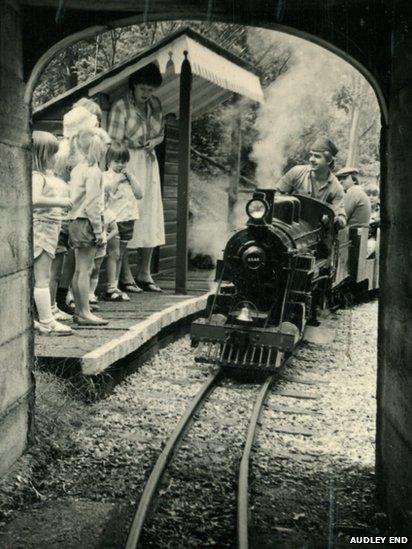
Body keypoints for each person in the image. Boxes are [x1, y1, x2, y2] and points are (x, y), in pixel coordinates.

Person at [108, 62, 165, 293]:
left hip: (150, 162)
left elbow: (161, 133)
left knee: (151, 214)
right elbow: (113, 142)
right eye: (143, 89)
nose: (147, 94)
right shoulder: (120, 106)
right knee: (128, 214)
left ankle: (144, 272)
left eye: (151, 90)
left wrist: (155, 141)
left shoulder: (155, 104)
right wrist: (128, 153)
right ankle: (126, 275)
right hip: (129, 162)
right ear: (133, 86)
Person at [32, 130, 73, 335]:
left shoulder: (46, 176)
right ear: (42, 154)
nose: (55, 157)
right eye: (52, 153)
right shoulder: (37, 176)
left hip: (50, 231)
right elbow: (34, 200)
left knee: (43, 276)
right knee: (42, 277)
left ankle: (38, 318)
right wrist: (60, 202)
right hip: (42, 232)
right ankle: (47, 320)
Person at [68, 129, 109, 326]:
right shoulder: (94, 172)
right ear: (100, 149)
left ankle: (79, 310)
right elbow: (93, 204)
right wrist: (99, 230)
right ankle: (85, 312)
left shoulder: (78, 169)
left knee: (79, 269)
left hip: (76, 220)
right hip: (87, 222)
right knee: (85, 270)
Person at [274, 136, 347, 229]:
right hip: (290, 225)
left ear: (328, 161)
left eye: (317, 156)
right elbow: (277, 194)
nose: (311, 159)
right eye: (311, 155)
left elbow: (342, 219)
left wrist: (334, 219)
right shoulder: (296, 172)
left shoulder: (337, 188)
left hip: (315, 232)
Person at [102, 141, 143, 301]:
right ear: (108, 162)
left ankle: (116, 285)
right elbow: (108, 192)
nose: (120, 165)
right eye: (116, 161)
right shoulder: (106, 177)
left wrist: (131, 178)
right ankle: (109, 286)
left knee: (120, 254)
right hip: (114, 220)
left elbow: (139, 194)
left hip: (128, 219)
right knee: (113, 253)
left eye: (123, 161)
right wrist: (118, 180)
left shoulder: (129, 177)